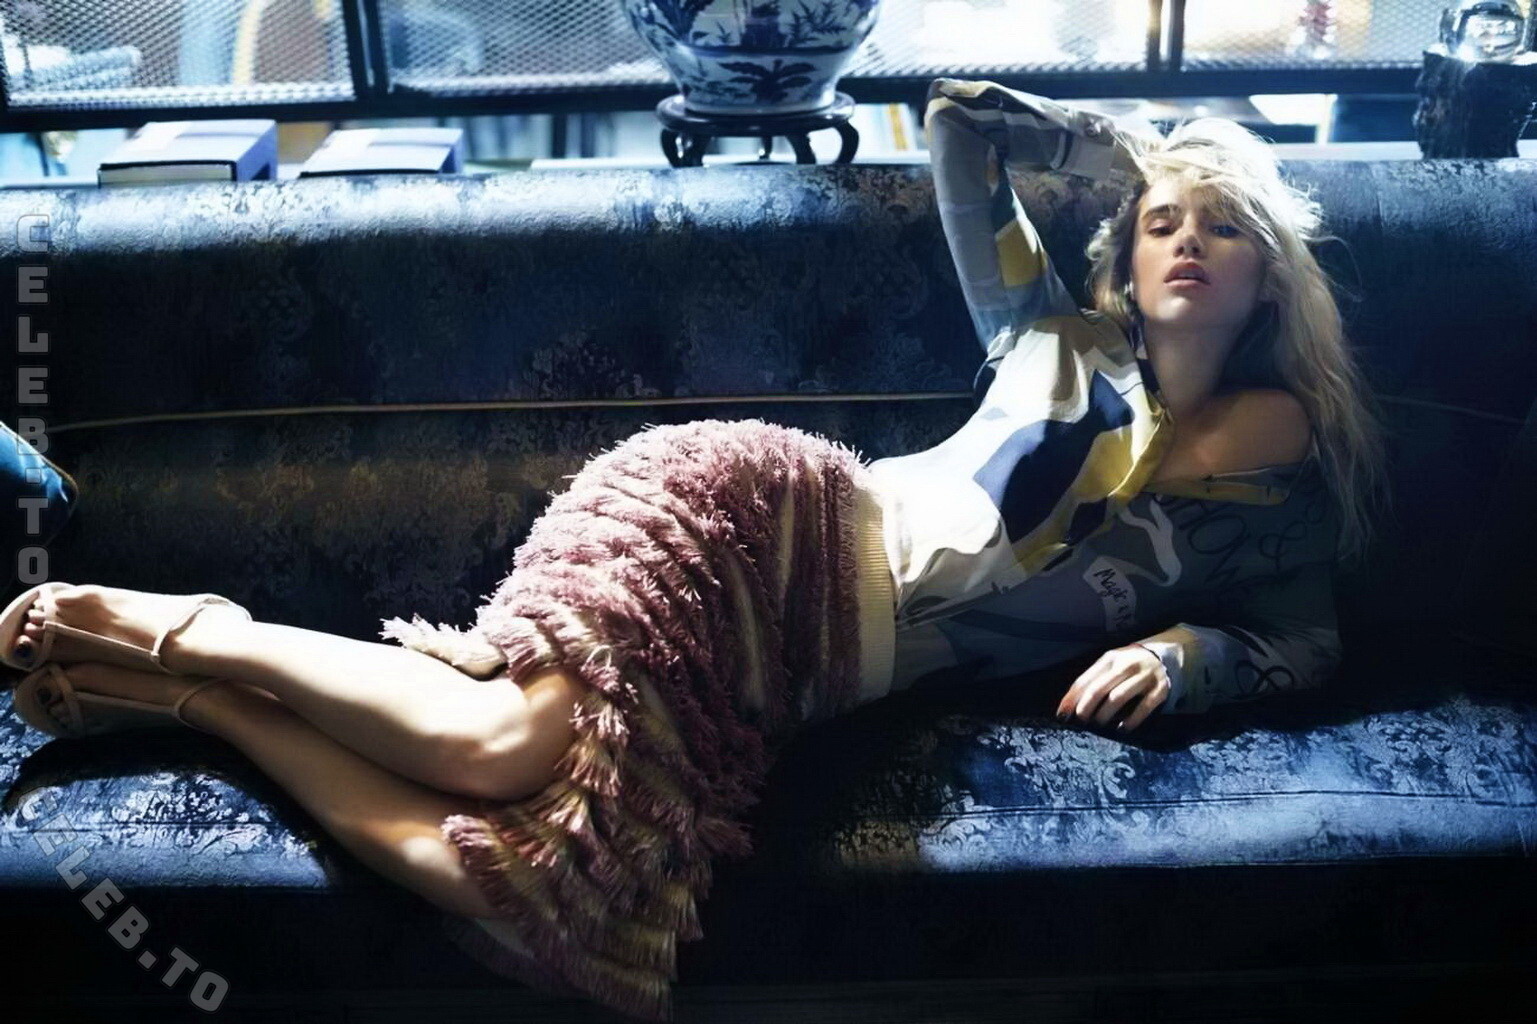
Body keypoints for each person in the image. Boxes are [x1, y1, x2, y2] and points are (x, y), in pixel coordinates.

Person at [0, 77, 1391, 1022]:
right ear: (1123, 261)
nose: (1185, 242)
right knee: (499, 747)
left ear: (1271, 269)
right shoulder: (1051, 339)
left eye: (1221, 226)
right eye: (1161, 225)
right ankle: (202, 632)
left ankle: (205, 704)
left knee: (531, 890)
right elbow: (961, 128)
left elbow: (1300, 639)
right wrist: (1128, 153)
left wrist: (1183, 654)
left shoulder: (1285, 497)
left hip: (802, 676)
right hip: (759, 529)